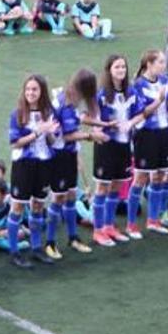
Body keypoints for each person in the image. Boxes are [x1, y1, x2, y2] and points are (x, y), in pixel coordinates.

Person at [46, 69, 104, 256]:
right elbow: (68, 135)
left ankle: (72, 238)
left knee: (71, 195)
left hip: (69, 154)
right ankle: (50, 242)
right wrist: (91, 136)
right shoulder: (67, 104)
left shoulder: (69, 98)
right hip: (59, 155)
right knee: (58, 198)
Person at [8, 75, 59, 267]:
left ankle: (36, 248)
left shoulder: (49, 112)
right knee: (18, 207)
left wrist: (51, 133)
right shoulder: (18, 114)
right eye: (28, 89)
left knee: (38, 205)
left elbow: (53, 141)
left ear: (42, 92)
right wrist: (37, 132)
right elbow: (15, 143)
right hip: (24, 164)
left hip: (44, 163)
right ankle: (14, 252)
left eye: (35, 89)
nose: (30, 93)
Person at [92, 55, 139, 246]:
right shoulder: (102, 94)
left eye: (123, 67)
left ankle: (109, 225)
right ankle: (98, 229)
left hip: (124, 144)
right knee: (102, 187)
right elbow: (91, 118)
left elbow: (139, 114)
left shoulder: (131, 91)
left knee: (118, 185)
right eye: (117, 67)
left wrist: (130, 123)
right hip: (106, 146)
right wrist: (101, 128)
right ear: (109, 70)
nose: (121, 70)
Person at [130, 50, 168, 235]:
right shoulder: (139, 85)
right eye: (160, 62)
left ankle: (153, 220)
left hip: (164, 132)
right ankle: (131, 225)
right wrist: (159, 100)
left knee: (159, 176)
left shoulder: (165, 82)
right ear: (149, 64)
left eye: (164, 62)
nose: (164, 66)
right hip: (146, 134)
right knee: (141, 178)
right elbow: (143, 113)